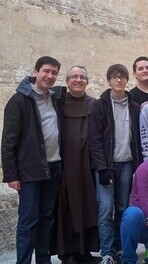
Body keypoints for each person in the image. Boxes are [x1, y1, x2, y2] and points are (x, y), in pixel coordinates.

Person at [1, 56, 63, 264]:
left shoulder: (55, 98)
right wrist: (11, 174)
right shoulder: (19, 100)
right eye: (46, 71)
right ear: (35, 72)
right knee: (28, 220)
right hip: (29, 171)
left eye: (54, 72)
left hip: (54, 168)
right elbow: (8, 141)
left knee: (47, 218)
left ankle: (43, 260)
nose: (50, 75)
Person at [89, 64, 142, 264]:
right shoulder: (100, 105)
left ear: (127, 80)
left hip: (127, 164)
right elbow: (94, 139)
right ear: (109, 80)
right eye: (114, 77)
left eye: (122, 77)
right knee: (105, 208)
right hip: (107, 166)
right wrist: (102, 167)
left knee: (122, 208)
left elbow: (137, 137)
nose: (118, 80)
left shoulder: (134, 106)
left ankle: (120, 247)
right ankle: (107, 252)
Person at [54, 66, 99, 264]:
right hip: (64, 163)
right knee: (65, 207)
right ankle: (67, 253)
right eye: (74, 76)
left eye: (82, 77)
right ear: (67, 80)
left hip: (87, 164)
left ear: (87, 82)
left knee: (88, 205)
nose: (78, 80)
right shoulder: (57, 103)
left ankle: (85, 251)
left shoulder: (94, 104)